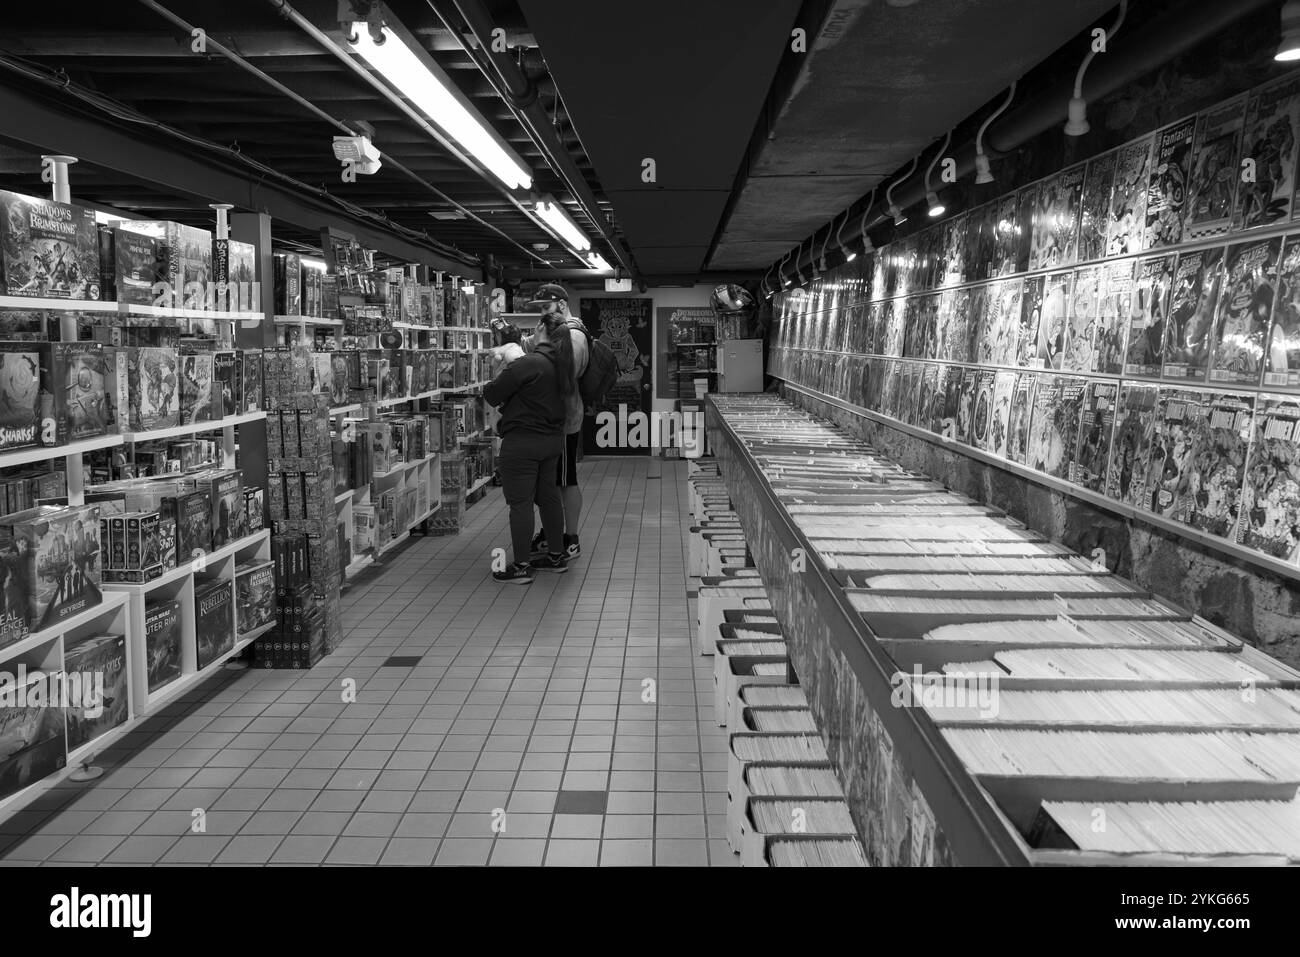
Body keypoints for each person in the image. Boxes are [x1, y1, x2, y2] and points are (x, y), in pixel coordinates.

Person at [483, 312, 572, 584]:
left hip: (522, 442)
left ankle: (522, 566)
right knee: (549, 497)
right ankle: (556, 556)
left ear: (541, 328)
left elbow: (491, 393)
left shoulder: (528, 364)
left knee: (520, 503)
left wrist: (497, 370)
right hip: (553, 440)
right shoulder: (562, 364)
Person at [513, 284, 589, 561]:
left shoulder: (574, 335)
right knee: (553, 481)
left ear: (562, 304)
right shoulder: (556, 331)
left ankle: (571, 538)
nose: (542, 314)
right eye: (540, 309)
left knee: (566, 480)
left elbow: (563, 374)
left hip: (565, 419)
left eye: (546, 307)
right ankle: (552, 533)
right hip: (552, 418)